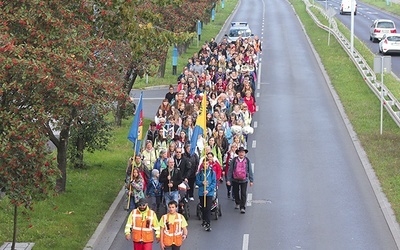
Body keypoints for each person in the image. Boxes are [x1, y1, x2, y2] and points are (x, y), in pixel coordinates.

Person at [226, 147, 254, 214]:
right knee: (236, 192)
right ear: (238, 153)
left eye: (243, 152)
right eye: (240, 152)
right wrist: (228, 179)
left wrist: (251, 180)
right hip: (235, 179)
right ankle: (237, 202)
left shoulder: (247, 160)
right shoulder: (234, 160)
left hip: (244, 180)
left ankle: (242, 207)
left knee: (243, 193)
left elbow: (250, 170)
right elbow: (230, 170)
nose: (241, 154)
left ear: (245, 153)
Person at [196, 155, 217, 231]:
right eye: (204, 164)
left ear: (209, 164)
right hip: (202, 193)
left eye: (207, 164)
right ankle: (204, 220)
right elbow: (197, 182)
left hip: (209, 193)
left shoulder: (212, 172)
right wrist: (202, 183)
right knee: (203, 208)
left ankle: (208, 223)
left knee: (208, 208)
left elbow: (214, 182)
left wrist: (208, 190)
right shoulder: (200, 173)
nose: (206, 165)